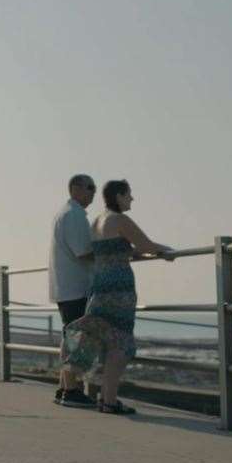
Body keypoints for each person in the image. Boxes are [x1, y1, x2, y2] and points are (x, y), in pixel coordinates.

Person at [60, 180, 173, 415]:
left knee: (99, 335)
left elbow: (118, 250)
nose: (132, 199)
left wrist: (142, 250)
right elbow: (146, 245)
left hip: (100, 286)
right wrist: (166, 250)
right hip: (119, 288)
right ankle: (109, 401)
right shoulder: (119, 219)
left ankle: (96, 395)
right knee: (120, 342)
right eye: (129, 195)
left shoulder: (97, 221)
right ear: (119, 196)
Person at [50, 174, 97, 408]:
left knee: (70, 334)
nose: (94, 193)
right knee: (75, 337)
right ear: (75, 189)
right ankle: (70, 390)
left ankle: (63, 387)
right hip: (75, 286)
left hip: (67, 286)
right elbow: (83, 252)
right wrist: (112, 256)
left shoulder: (66, 214)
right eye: (90, 188)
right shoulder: (74, 215)